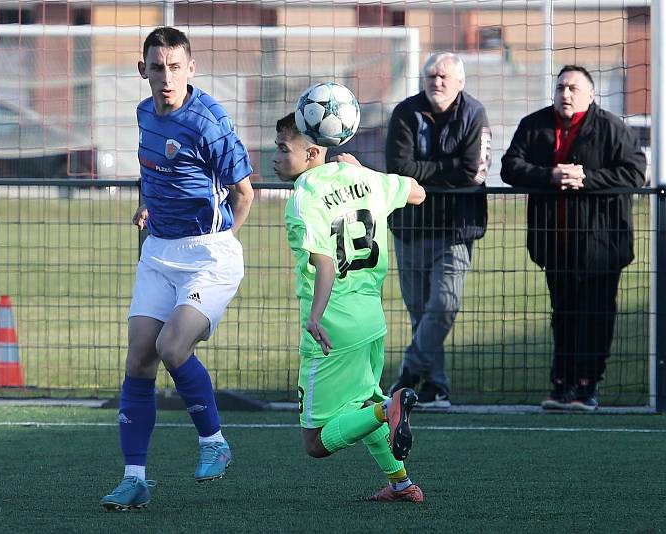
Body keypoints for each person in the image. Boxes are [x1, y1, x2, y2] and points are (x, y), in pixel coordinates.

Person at [100, 27, 254, 511]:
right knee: (139, 358)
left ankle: (214, 442)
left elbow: (245, 191)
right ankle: (135, 478)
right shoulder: (144, 112)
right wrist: (149, 207)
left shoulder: (211, 122)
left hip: (208, 255)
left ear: (191, 68)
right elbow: (153, 172)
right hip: (158, 252)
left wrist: (221, 238)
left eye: (175, 67)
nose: (166, 77)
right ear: (142, 69)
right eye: (157, 67)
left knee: (172, 345)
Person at [273, 113, 427, 502]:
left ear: (311, 151)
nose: (274, 157)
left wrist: (314, 316)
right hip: (371, 320)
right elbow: (417, 192)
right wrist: (366, 173)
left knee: (314, 442)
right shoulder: (362, 178)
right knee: (363, 401)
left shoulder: (304, 197)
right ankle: (401, 484)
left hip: (333, 327)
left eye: (281, 149)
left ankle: (387, 411)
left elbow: (324, 262)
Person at [500, 65, 646, 412]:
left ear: (591, 95)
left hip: (602, 246)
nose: (566, 94)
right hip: (555, 243)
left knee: (596, 314)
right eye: (561, 87)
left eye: (573, 89)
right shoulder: (534, 126)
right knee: (563, 314)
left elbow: (636, 171)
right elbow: (509, 167)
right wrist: (549, 175)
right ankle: (561, 384)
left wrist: (586, 179)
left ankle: (587, 385)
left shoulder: (611, 128)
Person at [385, 51, 491, 408]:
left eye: (444, 76)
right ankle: (436, 388)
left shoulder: (474, 114)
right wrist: (444, 170)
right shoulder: (405, 112)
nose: (437, 82)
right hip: (409, 227)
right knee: (421, 312)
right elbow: (399, 167)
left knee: (444, 305)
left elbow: (473, 171)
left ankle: (408, 374)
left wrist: (422, 172)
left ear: (460, 82)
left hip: (455, 229)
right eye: (431, 76)